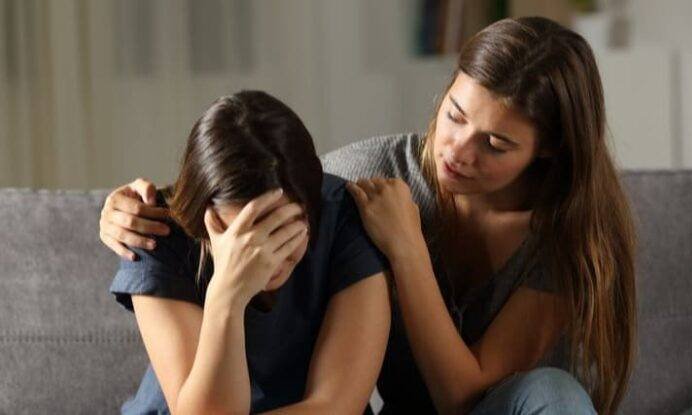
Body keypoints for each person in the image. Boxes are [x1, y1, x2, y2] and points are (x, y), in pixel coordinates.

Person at [100, 17, 636, 414]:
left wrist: (407, 248)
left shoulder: (571, 239)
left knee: (553, 391)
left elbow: (462, 399)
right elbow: (263, 175)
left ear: (548, 150)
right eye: (454, 115)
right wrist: (125, 210)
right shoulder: (367, 177)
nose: (456, 150)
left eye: (495, 144)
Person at [106, 90, 391, 414]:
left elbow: (335, 406)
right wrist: (227, 294)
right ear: (205, 220)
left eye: (282, 231)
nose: (264, 257)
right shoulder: (154, 231)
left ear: (311, 209)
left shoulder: (343, 216)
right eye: (242, 236)